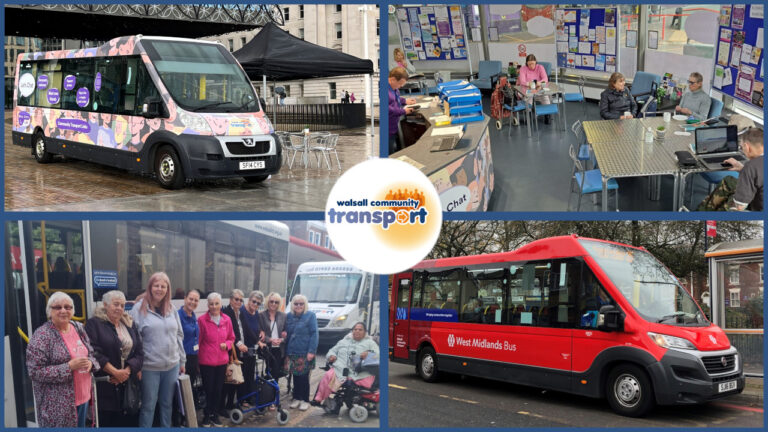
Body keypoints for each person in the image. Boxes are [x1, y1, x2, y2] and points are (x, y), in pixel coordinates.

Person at [27, 291, 99, 427]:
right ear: (49, 312)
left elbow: (90, 352)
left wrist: (91, 362)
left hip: (83, 396)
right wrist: (69, 367)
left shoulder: (78, 327)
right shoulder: (42, 335)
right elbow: (35, 372)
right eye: (58, 307)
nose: (63, 310)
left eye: (68, 307)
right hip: (58, 405)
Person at [129, 272, 186, 428]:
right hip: (149, 368)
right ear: (150, 287)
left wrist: (182, 360)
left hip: (172, 366)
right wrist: (137, 366)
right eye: (156, 285)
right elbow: (134, 340)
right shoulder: (138, 309)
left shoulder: (172, 309)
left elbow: (179, 335)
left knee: (167, 404)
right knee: (148, 406)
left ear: (168, 289)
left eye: (163, 286)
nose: (159, 289)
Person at [85, 290, 143, 427]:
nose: (120, 309)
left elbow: (140, 352)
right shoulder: (94, 324)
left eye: (122, 305)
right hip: (106, 383)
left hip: (128, 384)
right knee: (108, 421)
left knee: (128, 422)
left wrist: (126, 372)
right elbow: (93, 352)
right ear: (105, 305)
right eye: (116, 304)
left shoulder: (129, 324)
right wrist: (115, 372)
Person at [313, 322, 379, 406]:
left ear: (365, 332)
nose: (357, 331)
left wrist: (369, 354)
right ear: (352, 331)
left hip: (359, 371)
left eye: (360, 330)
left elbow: (379, 355)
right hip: (339, 368)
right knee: (327, 376)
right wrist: (331, 356)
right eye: (355, 329)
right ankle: (318, 399)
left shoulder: (370, 343)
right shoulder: (343, 341)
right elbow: (332, 351)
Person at [698, 128, 764, 211]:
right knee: (728, 181)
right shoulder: (755, 165)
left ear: (747, 147)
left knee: (730, 204)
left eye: (741, 146)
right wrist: (742, 169)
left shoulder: (751, 166)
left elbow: (740, 206)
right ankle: (702, 210)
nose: (742, 149)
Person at [198, 292, 235, 427]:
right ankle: (207, 415)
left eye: (216, 303)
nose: (214, 307)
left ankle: (215, 414)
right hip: (206, 362)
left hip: (222, 362)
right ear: (208, 305)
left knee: (218, 389)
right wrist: (197, 360)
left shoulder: (227, 320)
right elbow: (199, 341)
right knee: (208, 390)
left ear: (221, 304)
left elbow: (232, 338)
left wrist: (228, 345)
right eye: (211, 304)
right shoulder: (202, 320)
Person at [284, 294, 318, 411]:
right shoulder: (288, 316)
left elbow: (314, 334)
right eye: (296, 303)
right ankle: (296, 398)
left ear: (305, 305)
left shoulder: (310, 316)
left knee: (303, 377)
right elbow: (286, 333)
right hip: (292, 351)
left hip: (304, 351)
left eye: (301, 304)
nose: (298, 306)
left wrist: (311, 351)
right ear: (292, 305)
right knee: (295, 376)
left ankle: (305, 400)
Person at [221, 289, 252, 412]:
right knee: (227, 380)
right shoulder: (226, 312)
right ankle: (222, 407)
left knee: (235, 377)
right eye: (236, 299)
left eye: (241, 300)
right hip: (230, 350)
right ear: (230, 299)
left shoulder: (240, 313)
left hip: (239, 351)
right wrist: (239, 344)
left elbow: (246, 330)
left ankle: (230, 404)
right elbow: (229, 333)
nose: (239, 302)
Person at [239, 290, 265, 406]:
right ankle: (242, 398)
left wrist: (261, 331)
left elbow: (258, 327)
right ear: (249, 300)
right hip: (242, 347)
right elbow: (247, 330)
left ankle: (248, 397)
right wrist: (258, 341)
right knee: (242, 373)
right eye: (254, 301)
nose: (255, 304)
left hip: (251, 348)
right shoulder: (242, 311)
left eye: (258, 303)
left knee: (250, 373)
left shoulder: (256, 314)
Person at [178, 289, 201, 408]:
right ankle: (179, 419)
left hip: (193, 357)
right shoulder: (178, 316)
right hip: (182, 358)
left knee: (189, 388)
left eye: (196, 300)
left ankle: (187, 416)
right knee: (181, 390)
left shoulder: (193, 315)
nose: (193, 302)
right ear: (185, 298)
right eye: (191, 299)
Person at [258, 292, 287, 384]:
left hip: (279, 348)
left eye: (276, 302)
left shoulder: (283, 316)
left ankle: (274, 392)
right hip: (267, 348)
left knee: (276, 370)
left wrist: (281, 340)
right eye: (271, 301)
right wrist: (270, 340)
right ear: (268, 302)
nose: (274, 304)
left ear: (279, 304)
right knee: (269, 370)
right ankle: (268, 391)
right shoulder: (261, 315)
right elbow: (259, 333)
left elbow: (288, 333)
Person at [388, 67, 417, 154]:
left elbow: (396, 98)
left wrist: (405, 101)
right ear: (393, 79)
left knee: (394, 147)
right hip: (388, 130)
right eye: (400, 84)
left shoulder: (393, 88)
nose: (401, 86)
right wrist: (404, 111)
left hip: (393, 127)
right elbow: (389, 110)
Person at [516, 54, 552, 122]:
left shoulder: (540, 67)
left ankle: (547, 115)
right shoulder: (523, 69)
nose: (531, 66)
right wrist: (529, 83)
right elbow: (522, 81)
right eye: (529, 64)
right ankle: (528, 116)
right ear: (526, 63)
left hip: (538, 89)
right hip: (526, 90)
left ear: (535, 62)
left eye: (532, 64)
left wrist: (539, 82)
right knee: (529, 97)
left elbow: (545, 79)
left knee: (545, 97)